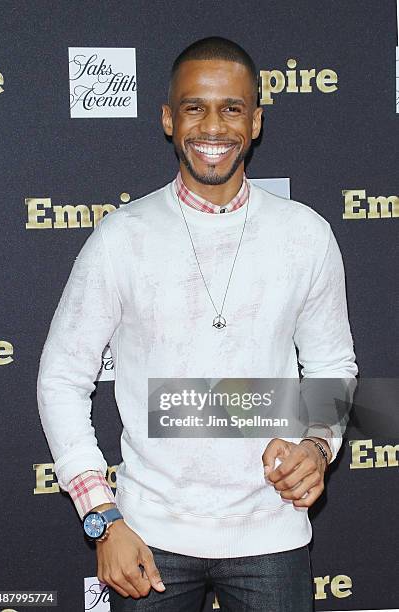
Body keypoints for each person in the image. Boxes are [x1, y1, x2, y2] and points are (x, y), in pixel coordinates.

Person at [37, 36, 358, 611]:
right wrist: (102, 518)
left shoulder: (305, 234)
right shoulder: (121, 238)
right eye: (195, 107)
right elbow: (62, 378)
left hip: (273, 532)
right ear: (168, 118)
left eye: (232, 108)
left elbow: (331, 365)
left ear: (255, 122)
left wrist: (318, 442)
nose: (214, 126)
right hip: (145, 535)